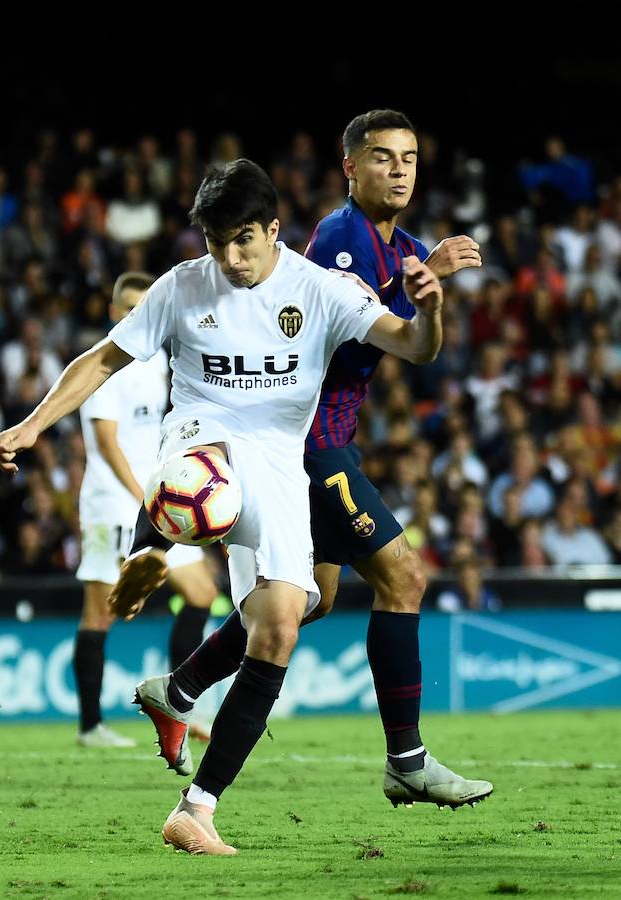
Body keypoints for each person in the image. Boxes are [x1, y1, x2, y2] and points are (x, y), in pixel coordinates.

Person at [0, 157, 491, 857]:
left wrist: (431, 309)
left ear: (274, 230)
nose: (229, 258)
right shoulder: (182, 287)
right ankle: (157, 547)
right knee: (208, 481)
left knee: (285, 622)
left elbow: (413, 346)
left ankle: (196, 808)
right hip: (204, 435)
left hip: (284, 463)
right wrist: (29, 425)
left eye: (244, 241)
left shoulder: (320, 289)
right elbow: (103, 359)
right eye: (216, 242)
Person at [109, 111, 492, 823]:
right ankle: (405, 761)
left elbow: (413, 342)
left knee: (309, 601)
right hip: (307, 446)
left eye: (409, 157)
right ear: (351, 167)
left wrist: (427, 301)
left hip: (327, 442)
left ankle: (181, 688)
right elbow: (337, 346)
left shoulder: (404, 245)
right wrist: (414, 294)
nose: (399, 170)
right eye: (382, 158)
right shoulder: (343, 240)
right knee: (402, 577)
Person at [73, 271, 218, 748]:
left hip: (156, 503)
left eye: (144, 308)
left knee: (201, 592)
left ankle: (179, 701)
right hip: (114, 504)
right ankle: (91, 726)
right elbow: (106, 442)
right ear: (116, 312)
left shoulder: (156, 363)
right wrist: (142, 494)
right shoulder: (107, 365)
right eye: (130, 308)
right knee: (100, 613)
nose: (138, 316)